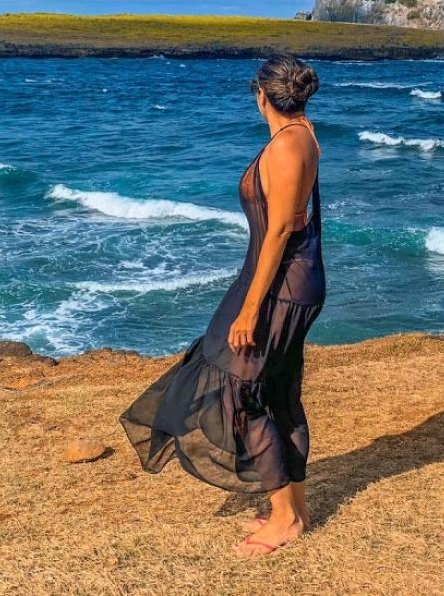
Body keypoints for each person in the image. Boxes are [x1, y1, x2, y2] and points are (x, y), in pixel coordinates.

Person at [119, 53, 326, 558]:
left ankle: (284, 519)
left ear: (260, 96)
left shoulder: (284, 148)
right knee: (275, 389)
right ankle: (294, 506)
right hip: (292, 280)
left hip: (277, 284)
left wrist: (250, 310)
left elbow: (278, 230)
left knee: (241, 390)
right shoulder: (305, 133)